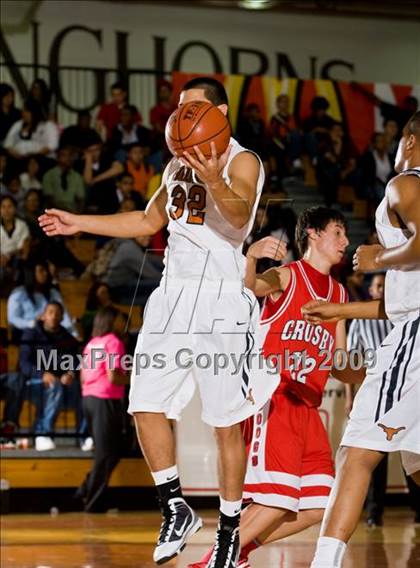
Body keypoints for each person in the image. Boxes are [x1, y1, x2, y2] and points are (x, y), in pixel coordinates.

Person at [39, 76, 280, 567]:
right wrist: (81, 222)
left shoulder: (243, 159)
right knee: (144, 402)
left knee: (226, 425)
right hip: (171, 296)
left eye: (193, 108)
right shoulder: (175, 163)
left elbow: (239, 222)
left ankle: (230, 529)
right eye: (179, 108)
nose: (182, 117)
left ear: (220, 111)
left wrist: (213, 177)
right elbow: (149, 222)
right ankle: (174, 505)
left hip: (220, 301)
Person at [190, 206, 361, 568]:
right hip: (276, 397)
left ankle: (237, 553)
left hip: (309, 407)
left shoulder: (340, 295)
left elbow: (340, 363)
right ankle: (214, 561)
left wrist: (364, 373)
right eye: (338, 233)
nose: (345, 242)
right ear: (313, 234)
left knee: (319, 504)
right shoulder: (288, 276)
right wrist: (251, 254)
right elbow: (249, 286)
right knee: (277, 499)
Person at [302, 110, 420, 568]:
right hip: (408, 322)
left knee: (356, 452)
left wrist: (376, 258)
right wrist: (339, 309)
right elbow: (396, 303)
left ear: (408, 139)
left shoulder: (404, 183)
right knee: (414, 462)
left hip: (414, 337)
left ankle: (324, 564)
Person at [75, 307, 128, 512]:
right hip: (105, 399)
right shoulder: (114, 342)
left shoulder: (92, 343)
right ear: (111, 321)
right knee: (106, 453)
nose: (123, 323)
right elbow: (114, 376)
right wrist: (136, 379)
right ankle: (93, 502)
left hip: (89, 398)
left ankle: (84, 491)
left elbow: (82, 375)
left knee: (109, 451)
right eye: (121, 319)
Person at [19, 301, 81, 451]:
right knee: (54, 386)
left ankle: (83, 437)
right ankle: (43, 433)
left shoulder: (67, 337)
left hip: (60, 385)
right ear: (43, 316)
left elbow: (77, 361)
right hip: (33, 383)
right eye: (50, 312)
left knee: (83, 389)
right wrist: (41, 375)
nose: (54, 316)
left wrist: (70, 374)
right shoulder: (30, 334)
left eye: (58, 313)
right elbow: (24, 364)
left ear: (61, 318)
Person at [7, 261, 75, 339]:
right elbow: (13, 319)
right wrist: (32, 323)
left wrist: (74, 335)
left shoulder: (53, 292)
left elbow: (65, 318)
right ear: (32, 273)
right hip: (26, 333)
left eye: (46, 270)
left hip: (51, 333)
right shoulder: (19, 293)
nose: (45, 273)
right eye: (41, 270)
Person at [104, 234, 163, 306]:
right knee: (161, 283)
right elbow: (152, 274)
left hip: (118, 285)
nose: (148, 238)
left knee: (158, 270)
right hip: (119, 291)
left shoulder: (127, 244)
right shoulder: (130, 249)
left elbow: (149, 258)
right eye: (144, 235)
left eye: (150, 236)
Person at [42, 146, 85, 213]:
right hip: (54, 211)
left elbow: (81, 199)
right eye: (64, 155)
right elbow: (49, 199)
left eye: (70, 155)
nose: (69, 158)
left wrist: (78, 214)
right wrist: (66, 211)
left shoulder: (77, 176)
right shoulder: (49, 175)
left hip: (72, 212)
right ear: (58, 158)